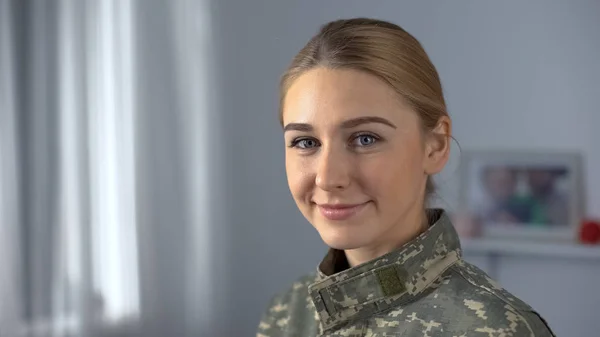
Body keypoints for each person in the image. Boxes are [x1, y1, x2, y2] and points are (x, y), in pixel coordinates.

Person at [257, 18, 555, 336]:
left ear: (435, 146)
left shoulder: (496, 329)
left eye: (365, 138)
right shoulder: (285, 313)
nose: (329, 178)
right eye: (306, 142)